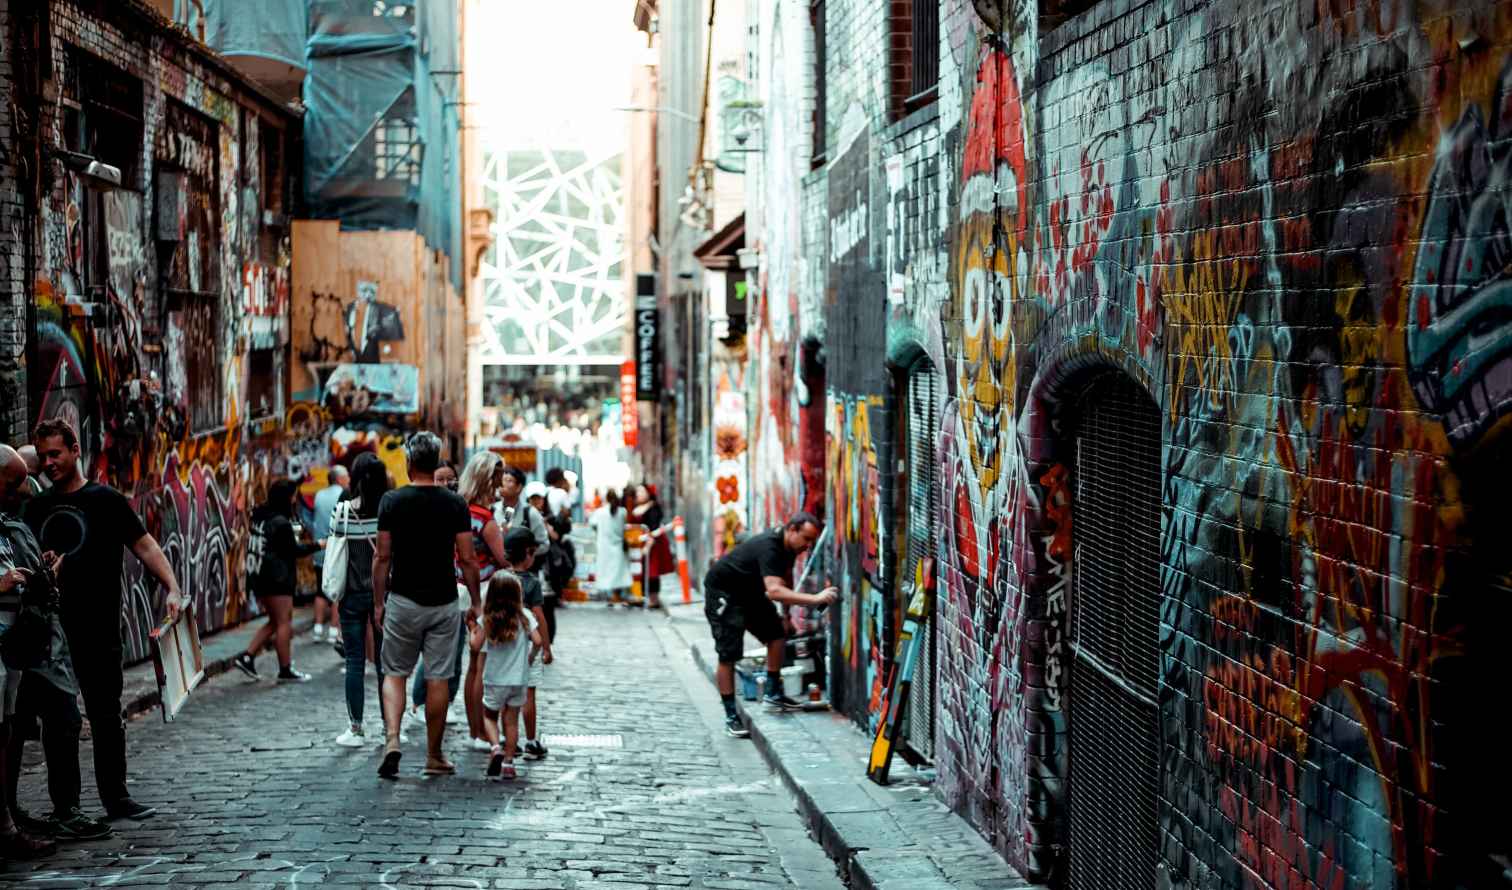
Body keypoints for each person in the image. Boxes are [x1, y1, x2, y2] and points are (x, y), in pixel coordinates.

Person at [24, 418, 181, 821]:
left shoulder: (106, 500)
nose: (49, 462)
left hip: (99, 626)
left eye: (55, 453)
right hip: (52, 631)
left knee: (106, 714)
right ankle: (66, 808)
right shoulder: (36, 508)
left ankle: (116, 797)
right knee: (58, 721)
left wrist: (172, 587)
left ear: (76, 450)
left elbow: (145, 545)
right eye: (43, 456)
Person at [373, 432, 480, 779]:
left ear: (408, 463)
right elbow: (468, 558)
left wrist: (378, 602)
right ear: (436, 463)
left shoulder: (392, 501)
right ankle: (434, 755)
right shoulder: (455, 504)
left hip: (403, 599)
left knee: (394, 673)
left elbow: (382, 557)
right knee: (438, 678)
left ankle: (392, 739)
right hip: (444, 601)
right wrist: (476, 602)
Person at [703, 512, 837, 738]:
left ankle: (773, 694)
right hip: (725, 594)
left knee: (777, 635)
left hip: (751, 593)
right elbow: (774, 591)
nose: (808, 545)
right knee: (728, 655)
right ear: (792, 530)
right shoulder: (770, 547)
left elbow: (784, 581)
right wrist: (815, 599)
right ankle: (731, 716)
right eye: (806, 538)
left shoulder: (789, 548)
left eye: (811, 541)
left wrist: (785, 616)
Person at [408, 452, 505, 749]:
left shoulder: (457, 508)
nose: (501, 484)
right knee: (479, 664)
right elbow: (502, 558)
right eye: (497, 478)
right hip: (481, 591)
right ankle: (480, 731)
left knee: (467, 662)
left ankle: (476, 729)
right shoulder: (483, 517)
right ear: (488, 480)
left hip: (456, 587)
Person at [0, 445, 62, 858]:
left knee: (5, 733)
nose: (18, 494)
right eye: (11, 485)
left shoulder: (5, 524)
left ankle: (7, 821)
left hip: (10, 649)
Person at [234, 479, 322, 683]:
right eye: (293, 496)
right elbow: (293, 551)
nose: (295, 500)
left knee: (275, 621)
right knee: (284, 623)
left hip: (261, 576)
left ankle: (247, 657)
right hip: (277, 580)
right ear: (286, 497)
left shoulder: (261, 516)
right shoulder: (281, 523)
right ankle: (285, 668)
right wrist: (319, 545)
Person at [330, 454, 389, 748]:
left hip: (351, 594)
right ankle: (391, 728)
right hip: (384, 595)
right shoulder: (389, 512)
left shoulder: (342, 511)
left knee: (355, 661)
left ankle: (355, 728)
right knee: (385, 664)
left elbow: (335, 546)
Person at [470, 572, 541, 781]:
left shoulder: (487, 619)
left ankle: (495, 747)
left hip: (495, 680)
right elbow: (538, 641)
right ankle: (509, 763)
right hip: (519, 680)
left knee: (489, 716)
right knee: (511, 721)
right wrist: (530, 657)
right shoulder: (525, 616)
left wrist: (473, 631)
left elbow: (475, 646)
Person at [501, 528, 551, 760]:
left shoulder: (501, 579)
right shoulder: (532, 583)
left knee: (505, 692)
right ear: (529, 554)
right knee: (528, 693)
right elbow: (539, 617)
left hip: (504, 644)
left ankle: (507, 739)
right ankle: (531, 741)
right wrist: (547, 647)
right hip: (527, 646)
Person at [311, 465, 350, 646]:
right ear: (340, 479)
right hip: (337, 550)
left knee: (320, 590)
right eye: (347, 476)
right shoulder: (343, 495)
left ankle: (318, 628)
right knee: (338, 591)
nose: (349, 479)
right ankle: (334, 630)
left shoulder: (319, 495)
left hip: (320, 550)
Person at [631, 484, 675, 610]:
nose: (638, 494)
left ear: (648, 493)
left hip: (652, 544)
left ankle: (653, 598)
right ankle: (639, 596)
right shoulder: (636, 507)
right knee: (639, 571)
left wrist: (648, 546)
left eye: (641, 491)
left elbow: (653, 528)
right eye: (637, 491)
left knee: (652, 572)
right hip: (639, 544)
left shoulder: (653, 508)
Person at [589, 490, 631, 606]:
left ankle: (611, 596)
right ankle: (616, 595)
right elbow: (624, 526)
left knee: (607, 571)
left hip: (604, 546)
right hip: (618, 545)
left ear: (606, 499)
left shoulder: (600, 512)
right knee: (619, 572)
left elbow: (592, 524)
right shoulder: (622, 512)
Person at [493, 466, 548, 553]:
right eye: (502, 480)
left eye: (508, 480)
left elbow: (544, 545)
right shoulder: (493, 510)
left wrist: (522, 554)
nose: (503, 484)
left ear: (519, 487)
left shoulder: (530, 513)